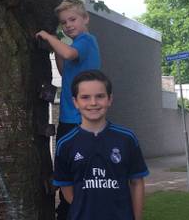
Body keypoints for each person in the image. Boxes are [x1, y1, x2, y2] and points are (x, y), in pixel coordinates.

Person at [35, 0, 101, 220]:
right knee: (66, 168)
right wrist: (55, 48)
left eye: (72, 19)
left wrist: (49, 37)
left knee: (75, 169)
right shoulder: (74, 46)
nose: (68, 25)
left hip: (79, 120)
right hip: (68, 118)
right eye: (63, 22)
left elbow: (71, 55)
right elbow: (65, 70)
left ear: (86, 19)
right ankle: (66, 209)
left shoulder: (86, 41)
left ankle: (73, 210)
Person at [53, 70, 149, 220]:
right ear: (75, 102)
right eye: (85, 97)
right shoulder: (65, 144)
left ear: (109, 99)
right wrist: (86, 208)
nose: (93, 103)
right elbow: (66, 187)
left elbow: (137, 183)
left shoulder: (127, 139)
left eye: (100, 96)